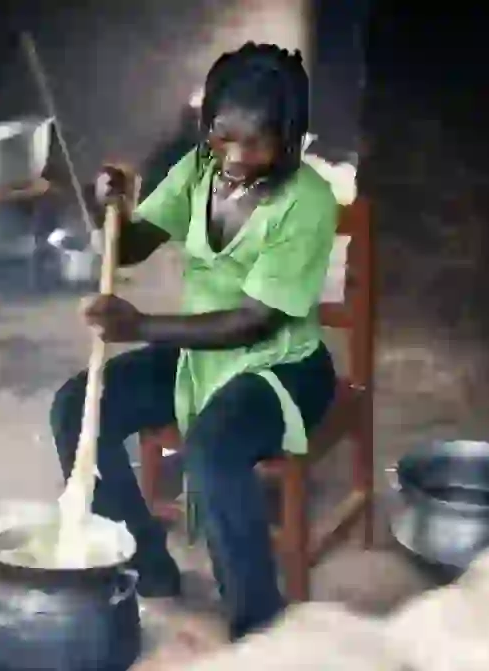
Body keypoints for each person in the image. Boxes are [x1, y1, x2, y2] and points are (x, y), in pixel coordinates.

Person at [49, 42, 338, 640]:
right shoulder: (198, 172)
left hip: (280, 369)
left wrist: (141, 327)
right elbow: (131, 244)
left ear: (290, 136)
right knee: (77, 408)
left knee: (212, 448)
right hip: (199, 360)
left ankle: (261, 629)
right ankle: (143, 565)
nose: (233, 157)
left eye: (255, 143)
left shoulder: (307, 202)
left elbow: (254, 320)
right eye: (221, 136)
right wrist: (108, 207)